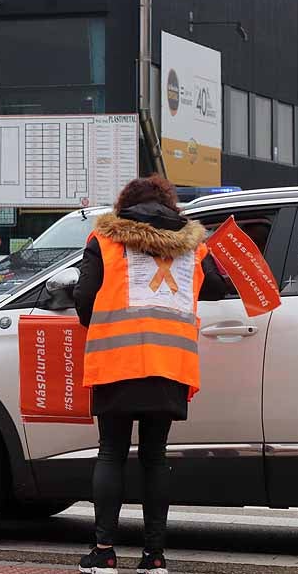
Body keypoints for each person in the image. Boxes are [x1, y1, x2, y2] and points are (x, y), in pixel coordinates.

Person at [73, 175, 229, 574]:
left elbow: (84, 295)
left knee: (111, 452)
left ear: (125, 204)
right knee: (155, 457)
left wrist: (100, 323)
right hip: (170, 363)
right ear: (169, 205)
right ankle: (154, 556)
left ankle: (104, 552)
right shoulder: (193, 246)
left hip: (116, 361)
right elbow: (214, 287)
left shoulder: (104, 240)